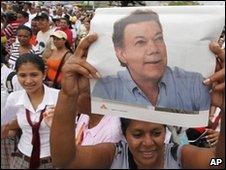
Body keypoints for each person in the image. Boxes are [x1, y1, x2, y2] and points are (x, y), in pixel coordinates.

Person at [50, 33, 225, 169]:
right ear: (124, 134)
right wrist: (67, 95)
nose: (148, 143)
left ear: (166, 132)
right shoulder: (114, 155)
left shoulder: (179, 157)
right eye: (137, 134)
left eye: (156, 133)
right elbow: (66, 161)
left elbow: (218, 163)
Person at [92, 9, 210, 112]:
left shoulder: (195, 85)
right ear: (122, 54)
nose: (154, 49)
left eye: (158, 39)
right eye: (140, 42)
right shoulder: (106, 89)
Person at [1, 53, 59, 169]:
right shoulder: (14, 98)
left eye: (34, 75)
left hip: (52, 161)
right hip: (22, 160)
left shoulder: (58, 97)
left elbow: (73, 133)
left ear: (44, 74)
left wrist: (57, 124)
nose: (28, 81)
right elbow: (8, 128)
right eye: (22, 75)